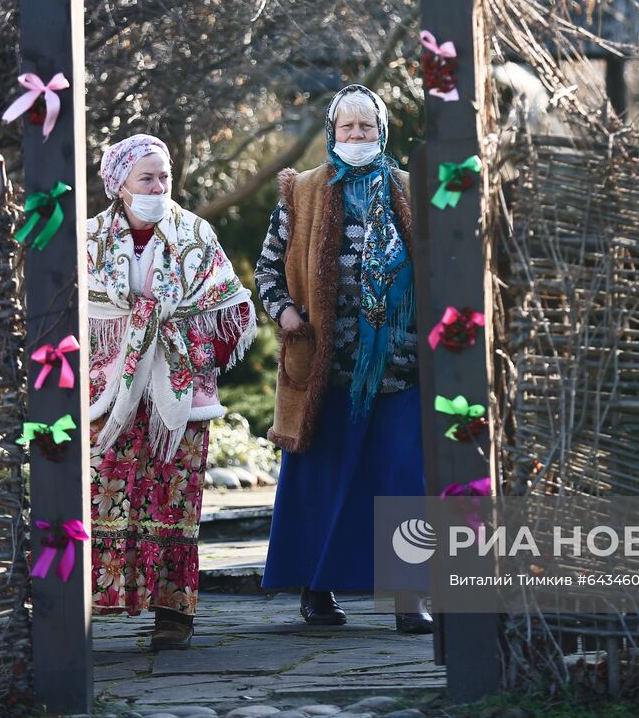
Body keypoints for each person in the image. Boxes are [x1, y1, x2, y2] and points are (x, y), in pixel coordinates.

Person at [255, 85, 433, 634]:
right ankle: (318, 588)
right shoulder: (301, 192)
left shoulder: (409, 189)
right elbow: (267, 272)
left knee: (405, 480)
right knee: (324, 481)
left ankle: (411, 598)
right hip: (328, 371)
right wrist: (285, 313)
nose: (358, 137)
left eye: (368, 127)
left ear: (384, 132)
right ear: (334, 132)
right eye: (349, 128)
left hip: (401, 370)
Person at [86, 133, 256, 651]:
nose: (159, 186)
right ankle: (90, 603)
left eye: (164, 176)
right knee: (101, 498)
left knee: (173, 502)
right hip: (108, 397)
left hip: (178, 400)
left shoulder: (194, 234)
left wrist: (192, 350)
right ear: (120, 186)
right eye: (147, 177)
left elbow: (231, 306)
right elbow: (74, 313)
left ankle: (172, 616)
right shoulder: (90, 241)